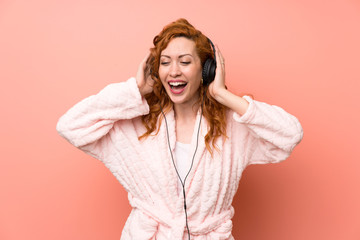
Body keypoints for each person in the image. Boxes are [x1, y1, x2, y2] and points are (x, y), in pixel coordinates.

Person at [56, 18, 303, 240]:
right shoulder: (137, 124)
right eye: (165, 62)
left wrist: (223, 95)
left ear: (207, 70)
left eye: (185, 62)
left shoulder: (233, 128)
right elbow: (70, 126)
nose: (174, 71)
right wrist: (135, 91)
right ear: (156, 71)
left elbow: (289, 135)